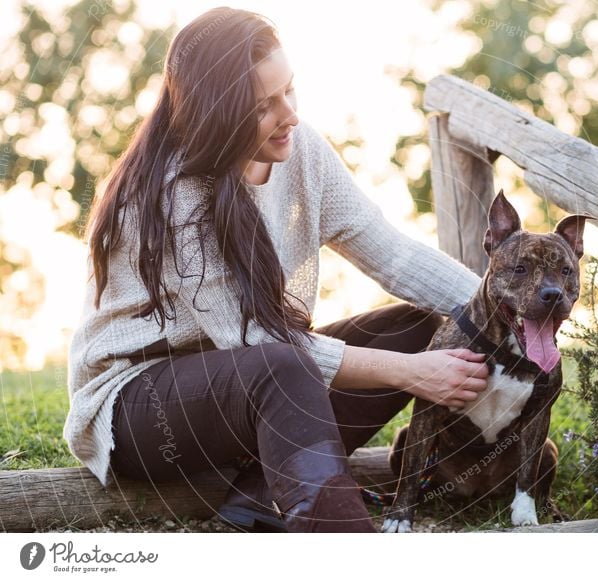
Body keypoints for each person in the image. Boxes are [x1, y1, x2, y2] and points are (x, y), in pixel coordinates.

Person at [65, 7, 489, 534]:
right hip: (139, 407)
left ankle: (259, 498)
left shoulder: (301, 149)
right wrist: (413, 374)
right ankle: (342, 538)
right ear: (215, 115)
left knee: (423, 327)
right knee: (284, 366)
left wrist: (499, 310)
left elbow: (393, 253)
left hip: (247, 384)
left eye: (289, 90)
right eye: (264, 106)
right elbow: (255, 340)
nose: (288, 113)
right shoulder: (175, 196)